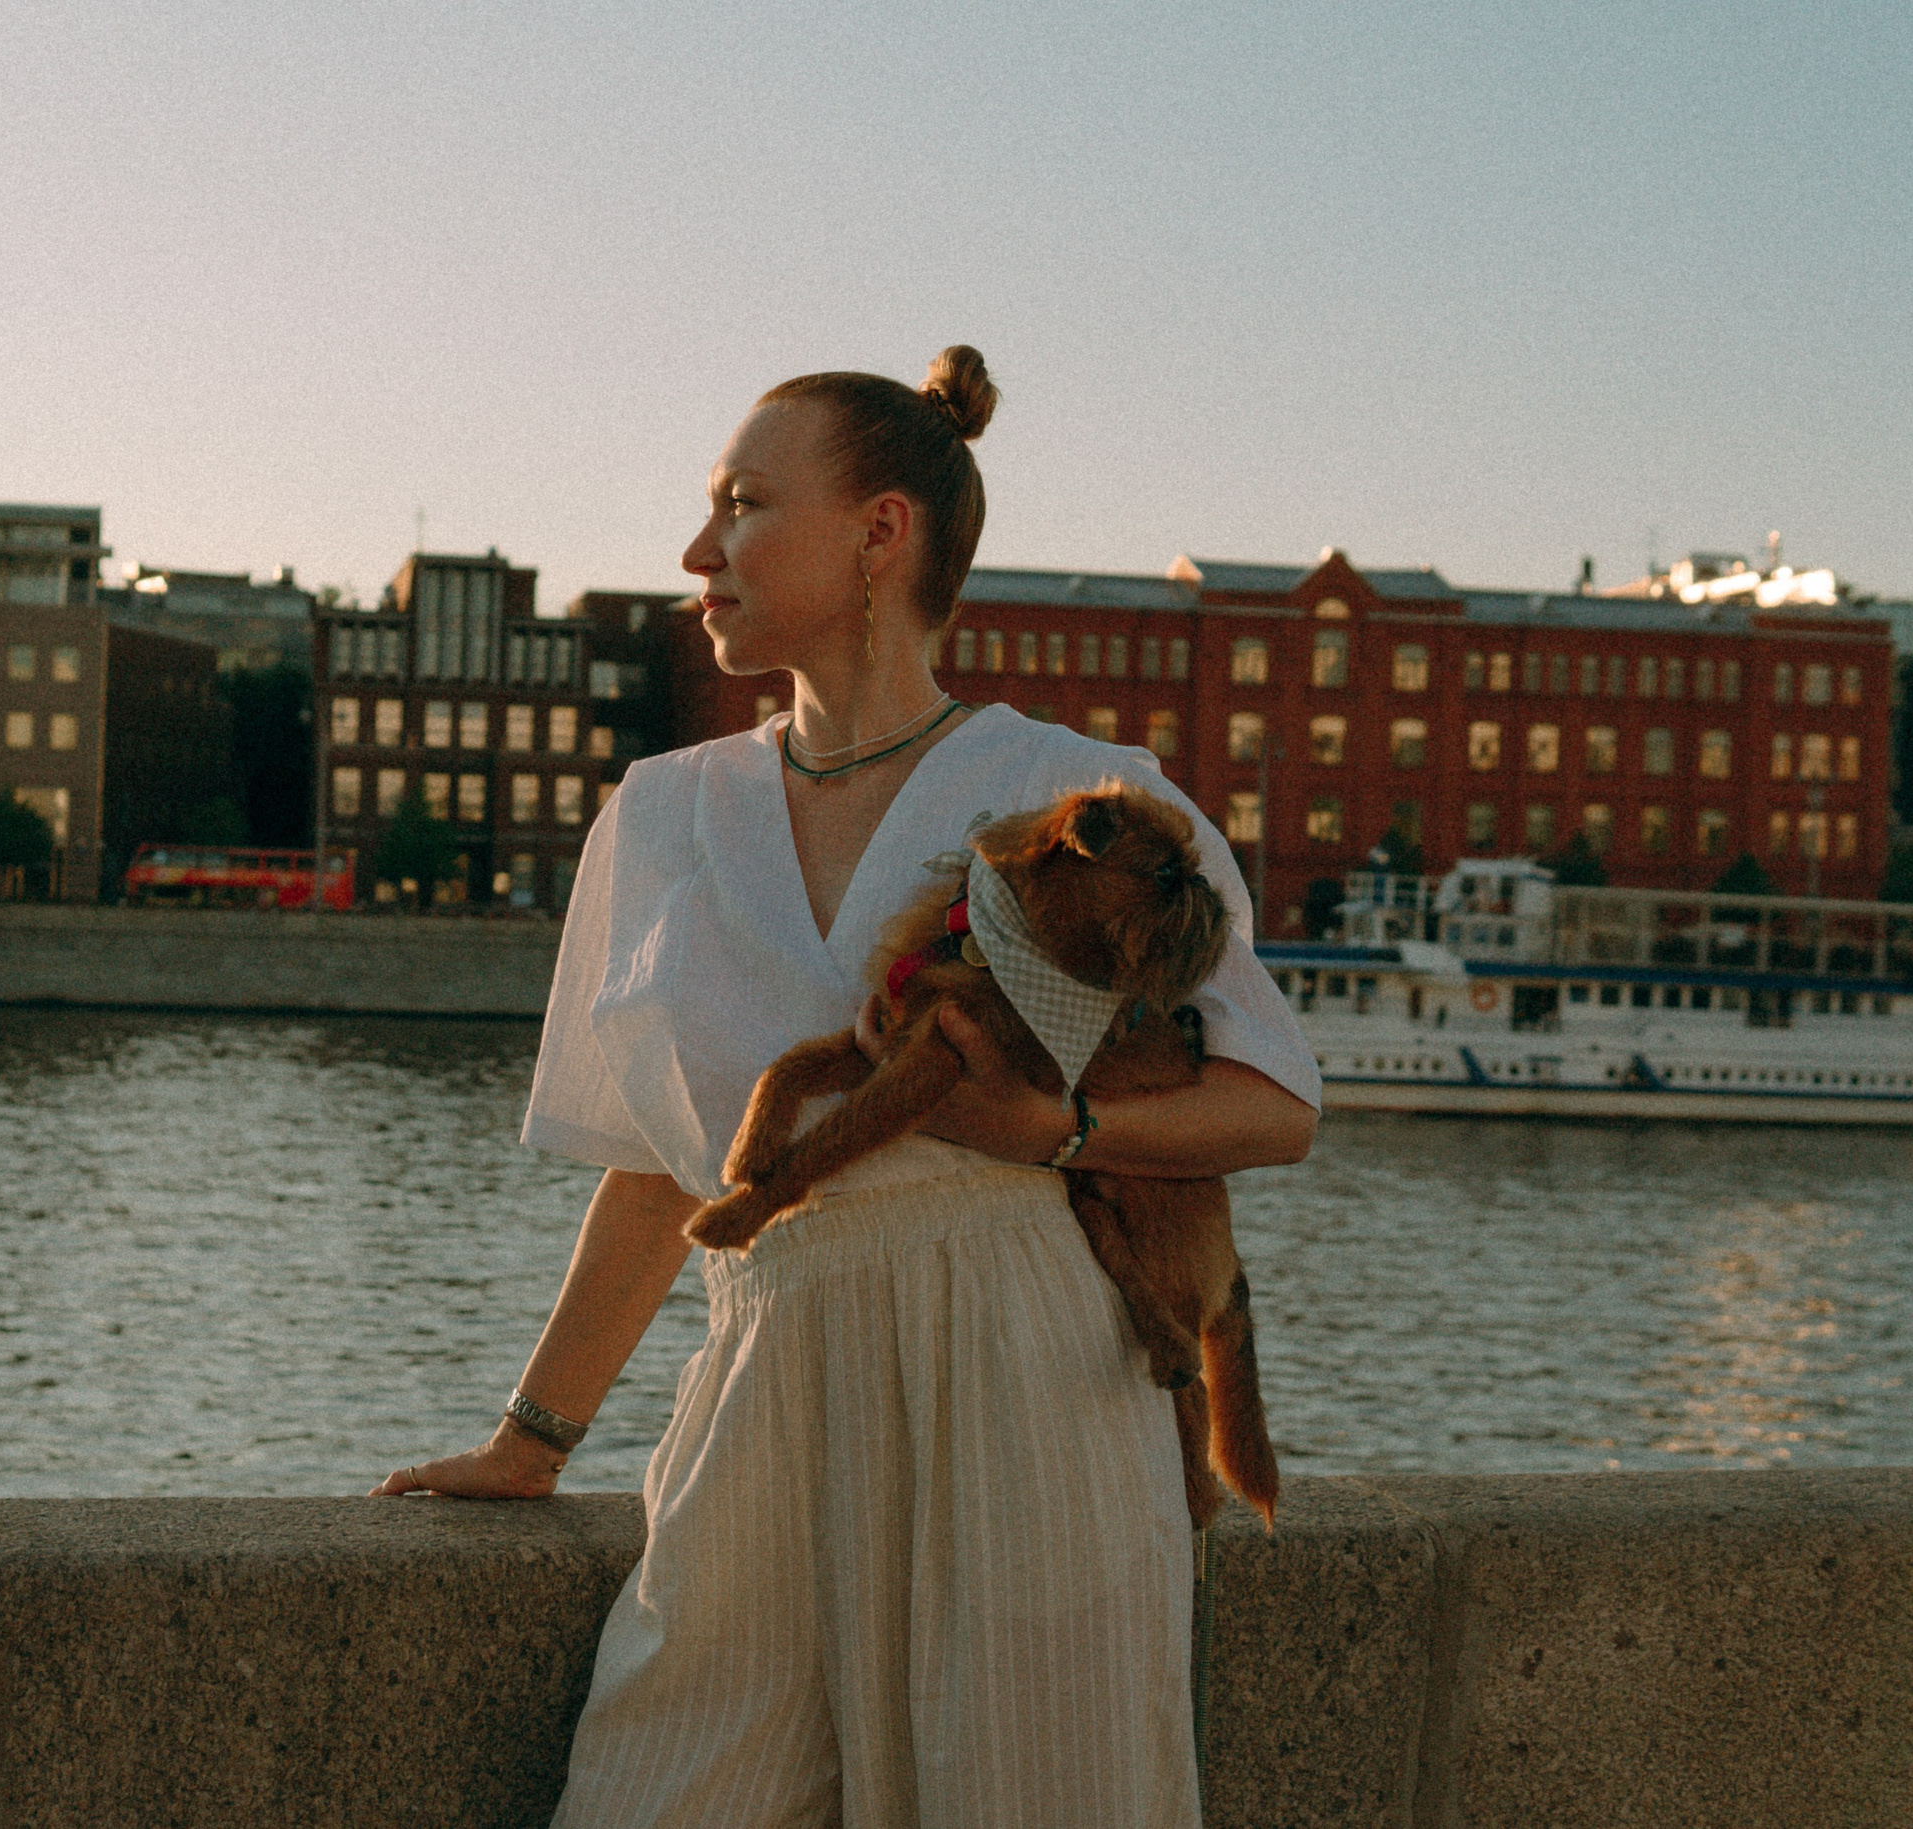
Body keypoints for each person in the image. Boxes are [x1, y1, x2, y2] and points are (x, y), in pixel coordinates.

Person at [373, 347, 1319, 1827]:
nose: (700, 552)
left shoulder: (1076, 797)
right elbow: (661, 1166)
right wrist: (532, 1438)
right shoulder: (667, 812)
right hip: (766, 1384)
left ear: (882, 531)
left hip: (1032, 1385)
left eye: (745, 505)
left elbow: (1277, 1100)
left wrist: (1058, 1128)